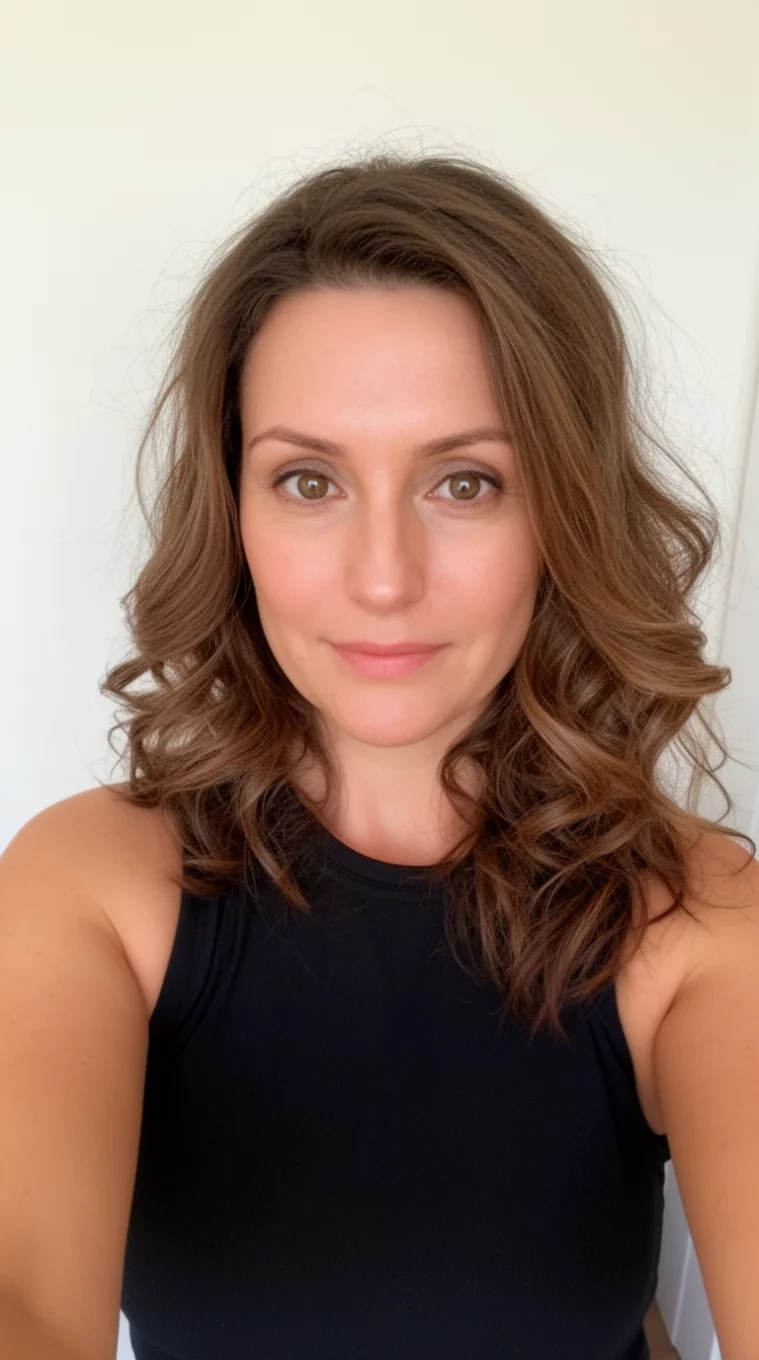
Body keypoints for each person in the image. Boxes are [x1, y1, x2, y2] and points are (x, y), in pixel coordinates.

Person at [2, 151, 757, 1360]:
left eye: (467, 481)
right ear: (234, 514)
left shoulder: (697, 917)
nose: (385, 577)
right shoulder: (92, 884)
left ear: (563, 511)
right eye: (309, 480)